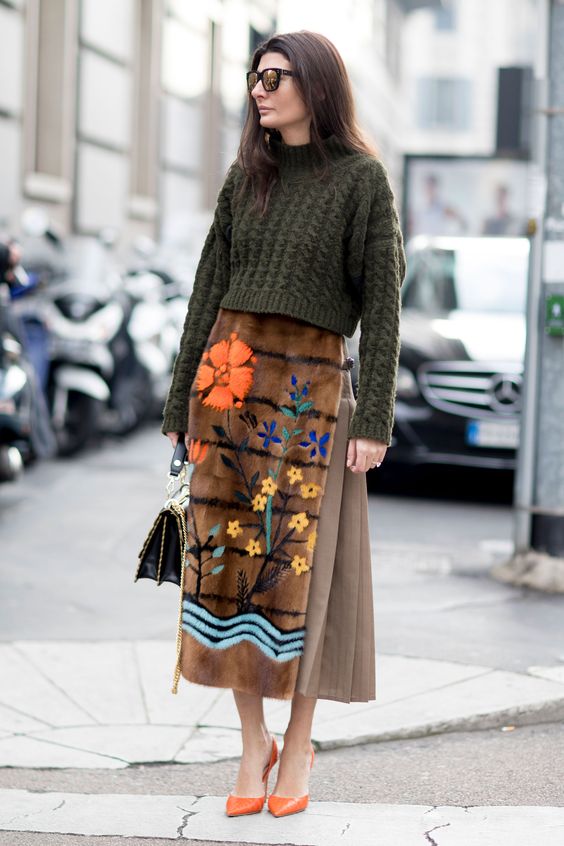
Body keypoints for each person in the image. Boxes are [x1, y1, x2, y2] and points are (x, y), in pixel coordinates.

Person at [161, 30, 406, 819]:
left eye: (275, 77)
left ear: (317, 85)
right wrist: (179, 405)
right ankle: (251, 742)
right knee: (229, 572)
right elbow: (206, 293)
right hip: (229, 388)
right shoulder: (247, 178)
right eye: (255, 77)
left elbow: (384, 305)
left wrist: (374, 417)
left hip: (310, 397)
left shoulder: (362, 181)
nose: (259, 90)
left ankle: (298, 743)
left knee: (298, 573)